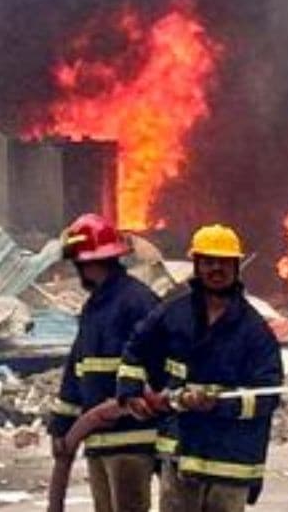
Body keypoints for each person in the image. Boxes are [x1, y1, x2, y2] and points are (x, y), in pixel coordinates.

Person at [115, 224, 283, 512]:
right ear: (196, 265)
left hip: (230, 461)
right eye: (208, 262)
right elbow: (136, 348)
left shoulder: (254, 330)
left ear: (236, 267)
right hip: (181, 454)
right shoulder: (173, 313)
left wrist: (219, 403)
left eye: (224, 262)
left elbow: (268, 396)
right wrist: (130, 391)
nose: (216, 269)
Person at [47, 214, 162, 512]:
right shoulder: (95, 307)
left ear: (90, 262)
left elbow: (160, 367)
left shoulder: (137, 302)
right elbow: (78, 371)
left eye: (77, 262)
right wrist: (62, 425)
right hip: (98, 440)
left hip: (130, 438)